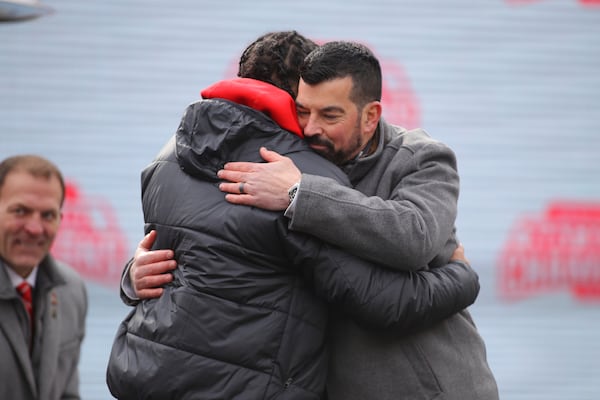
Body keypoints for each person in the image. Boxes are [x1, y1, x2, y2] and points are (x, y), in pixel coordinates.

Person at [107, 31, 481, 400]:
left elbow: (413, 239)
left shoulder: (419, 158)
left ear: (371, 116)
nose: (310, 128)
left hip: (423, 388)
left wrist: (299, 193)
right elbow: (195, 249)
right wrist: (134, 275)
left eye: (329, 114)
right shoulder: (271, 167)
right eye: (303, 111)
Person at [0, 154, 88, 400]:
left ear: (61, 220)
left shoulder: (72, 291)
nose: (34, 228)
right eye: (20, 211)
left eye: (47, 215)